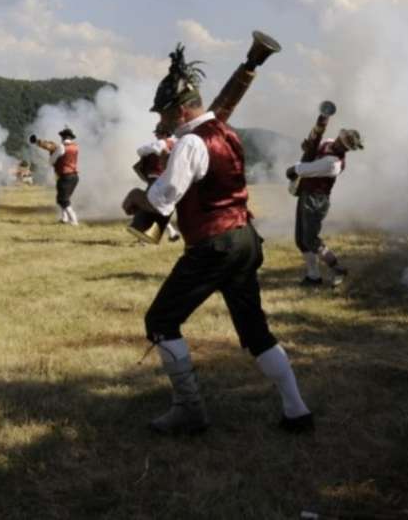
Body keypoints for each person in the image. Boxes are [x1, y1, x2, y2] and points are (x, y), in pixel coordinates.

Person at [122, 44, 313, 436]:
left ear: (178, 110)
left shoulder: (191, 142)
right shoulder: (226, 132)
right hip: (244, 238)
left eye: (163, 113)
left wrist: (135, 197)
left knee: (160, 320)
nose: (161, 121)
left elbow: (161, 202)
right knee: (255, 331)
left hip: (214, 245)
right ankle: (297, 410)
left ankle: (189, 411)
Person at [286, 128, 364, 287]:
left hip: (317, 200)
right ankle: (313, 276)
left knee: (310, 239)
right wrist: (307, 148)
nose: (337, 143)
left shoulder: (334, 164)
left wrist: (293, 169)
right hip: (307, 194)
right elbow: (313, 153)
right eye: (339, 139)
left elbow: (307, 169)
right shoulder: (328, 142)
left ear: (346, 148)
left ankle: (336, 268)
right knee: (301, 240)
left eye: (342, 143)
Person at [136, 124, 181, 242]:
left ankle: (144, 237)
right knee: (158, 208)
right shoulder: (176, 143)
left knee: (147, 206)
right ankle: (171, 232)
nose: (156, 135)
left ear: (165, 134)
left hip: (156, 178)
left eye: (158, 133)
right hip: (167, 178)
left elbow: (140, 151)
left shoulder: (161, 143)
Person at [34, 127, 80, 225]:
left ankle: (74, 220)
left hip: (65, 176)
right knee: (64, 198)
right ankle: (64, 219)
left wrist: (51, 153)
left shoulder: (61, 147)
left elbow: (52, 161)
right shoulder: (75, 146)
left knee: (62, 199)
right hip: (74, 176)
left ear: (63, 137)